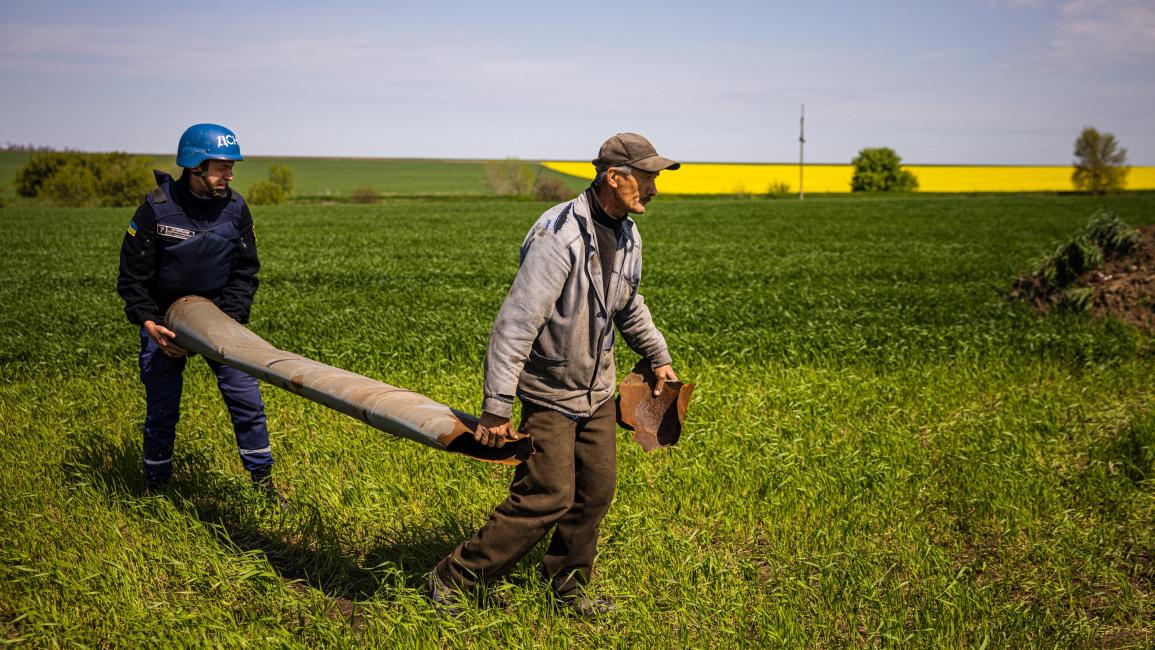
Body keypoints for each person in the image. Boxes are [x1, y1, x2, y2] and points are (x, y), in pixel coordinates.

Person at [430, 133, 681, 617]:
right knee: (546, 495)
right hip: (550, 392)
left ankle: (566, 588)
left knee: (596, 490)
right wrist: (496, 407)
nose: (652, 189)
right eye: (646, 178)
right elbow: (516, 324)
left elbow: (628, 305)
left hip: (598, 391)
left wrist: (657, 355)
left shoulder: (628, 234)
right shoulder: (558, 234)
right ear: (615, 177)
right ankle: (455, 577)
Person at [117, 123, 280, 502]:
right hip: (163, 325)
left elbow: (245, 272)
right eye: (221, 167)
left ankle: (264, 485)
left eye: (231, 167)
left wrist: (230, 321)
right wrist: (150, 323)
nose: (230, 175)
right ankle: (156, 489)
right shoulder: (156, 210)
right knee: (162, 409)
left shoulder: (236, 208)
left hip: (220, 323)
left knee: (247, 400)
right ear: (194, 166)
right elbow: (132, 279)